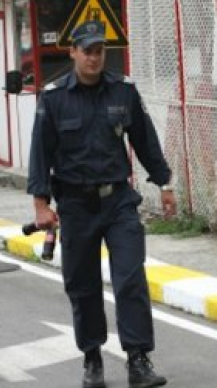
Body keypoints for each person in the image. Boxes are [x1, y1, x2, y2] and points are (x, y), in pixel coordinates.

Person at [27, 19, 176, 388]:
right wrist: (41, 205)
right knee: (83, 285)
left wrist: (165, 183)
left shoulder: (123, 91)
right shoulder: (54, 98)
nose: (94, 58)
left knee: (130, 279)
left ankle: (138, 360)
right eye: (87, 51)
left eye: (99, 51)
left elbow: (145, 140)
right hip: (75, 205)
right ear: (73, 52)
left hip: (118, 202)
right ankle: (92, 358)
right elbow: (40, 154)